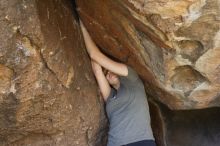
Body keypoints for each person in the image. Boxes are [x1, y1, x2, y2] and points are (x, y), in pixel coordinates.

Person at [80, 21, 156, 146]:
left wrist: (83, 26)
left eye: (110, 68)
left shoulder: (133, 80)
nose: (109, 72)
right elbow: (96, 67)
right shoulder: (110, 96)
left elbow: (96, 55)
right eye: (107, 73)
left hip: (141, 142)